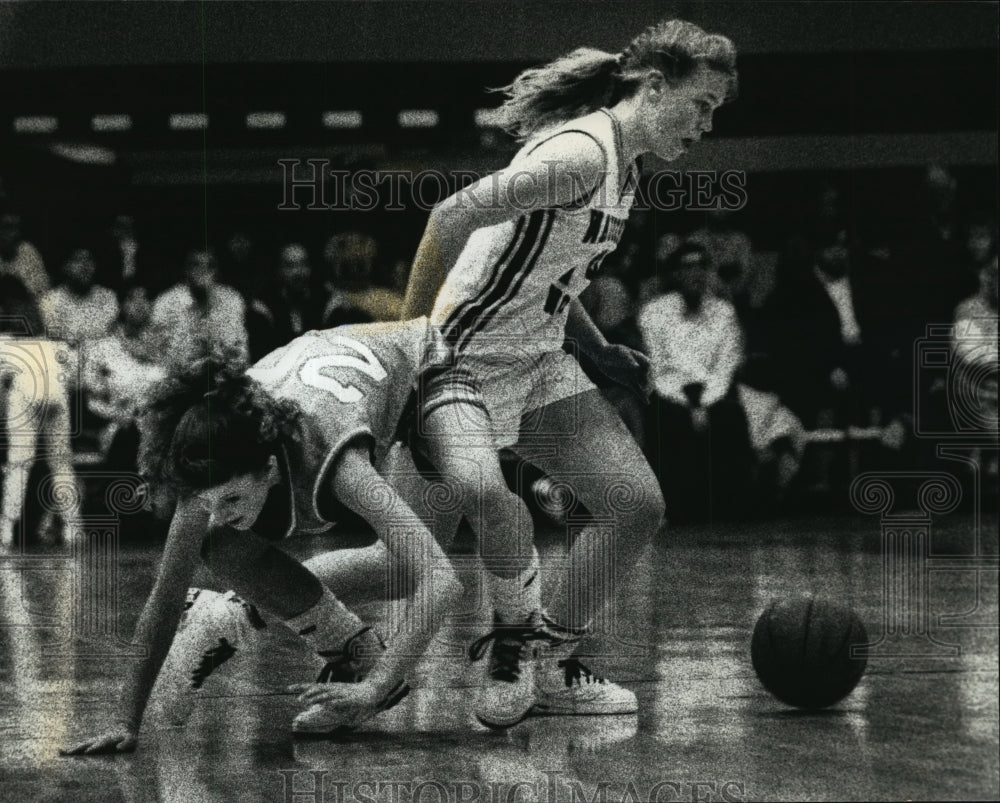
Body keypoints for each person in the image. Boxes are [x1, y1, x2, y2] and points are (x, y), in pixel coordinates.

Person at [400, 18, 736, 726]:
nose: (706, 125)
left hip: (539, 357)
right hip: (465, 356)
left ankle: (544, 661)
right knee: (402, 562)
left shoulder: (623, 165)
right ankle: (242, 608)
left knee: (634, 503)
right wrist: (409, 348)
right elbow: (448, 216)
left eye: (715, 113)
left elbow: (553, 273)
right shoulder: (583, 153)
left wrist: (599, 350)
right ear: (653, 85)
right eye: (701, 105)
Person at [60, 318, 464, 754]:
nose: (220, 512)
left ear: (271, 470)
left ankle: (525, 625)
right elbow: (165, 596)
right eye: (211, 502)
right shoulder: (212, 460)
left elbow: (443, 582)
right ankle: (350, 648)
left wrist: (379, 685)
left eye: (232, 499)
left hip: (429, 368)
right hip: (335, 377)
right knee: (218, 543)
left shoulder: (341, 465)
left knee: (413, 565)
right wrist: (126, 720)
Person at [1, 276, 81, 547]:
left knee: (19, 465)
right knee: (61, 464)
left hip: (24, 389)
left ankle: (6, 532)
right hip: (54, 381)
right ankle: (73, 529)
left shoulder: (4, 341)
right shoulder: (49, 337)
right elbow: (73, 373)